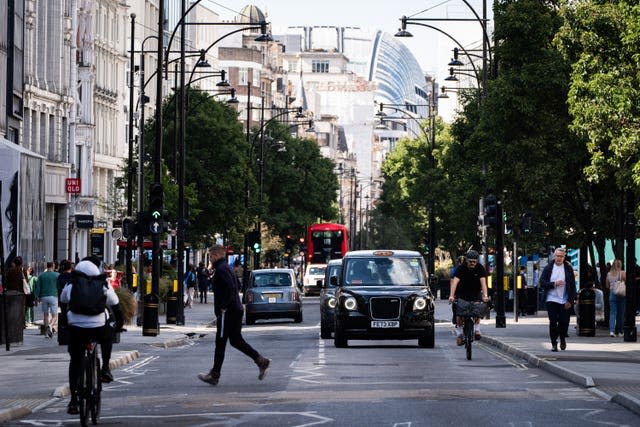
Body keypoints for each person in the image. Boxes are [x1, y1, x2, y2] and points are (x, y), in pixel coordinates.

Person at [198, 245, 271, 386]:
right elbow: (237, 284)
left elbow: (232, 288)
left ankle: (214, 375)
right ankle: (261, 361)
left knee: (220, 343)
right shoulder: (227, 268)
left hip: (228, 311)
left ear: (217, 255)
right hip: (236, 309)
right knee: (236, 340)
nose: (211, 259)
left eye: (211, 256)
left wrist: (224, 306)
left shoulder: (221, 269)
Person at [60, 256, 124, 415]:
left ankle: (74, 400)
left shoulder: (71, 283)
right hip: (97, 327)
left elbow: (63, 302)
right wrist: (119, 326)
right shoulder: (103, 283)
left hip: (76, 327)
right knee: (108, 335)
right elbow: (116, 306)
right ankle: (105, 369)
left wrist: (65, 323)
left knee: (75, 360)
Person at [448, 250, 490, 345]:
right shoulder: (461, 268)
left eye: (474, 261)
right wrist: (451, 295)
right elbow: (454, 282)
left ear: (477, 261)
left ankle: (477, 330)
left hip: (475, 293)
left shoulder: (480, 268)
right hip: (461, 293)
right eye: (470, 261)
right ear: (466, 260)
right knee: (458, 312)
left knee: (478, 309)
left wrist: (485, 296)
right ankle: (459, 334)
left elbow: (483, 283)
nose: (472, 263)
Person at [539, 247, 576, 351]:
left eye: (561, 256)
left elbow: (572, 285)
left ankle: (563, 337)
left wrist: (570, 300)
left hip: (564, 299)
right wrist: (554, 284)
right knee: (553, 322)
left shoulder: (568, 268)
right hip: (551, 299)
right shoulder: (548, 268)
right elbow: (542, 282)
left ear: (564, 257)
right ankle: (554, 344)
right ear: (554, 256)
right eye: (557, 256)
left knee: (564, 321)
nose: (559, 258)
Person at [34, 261, 60, 338]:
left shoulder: (41, 275)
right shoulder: (57, 275)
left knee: (45, 315)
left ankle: (46, 333)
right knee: (54, 316)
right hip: (53, 296)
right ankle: (50, 326)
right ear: (52, 266)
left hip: (44, 297)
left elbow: (38, 288)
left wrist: (36, 297)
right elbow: (59, 286)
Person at [605, 259, 626, 337]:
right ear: (620, 265)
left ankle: (611, 331)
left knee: (612, 313)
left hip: (612, 294)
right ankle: (620, 331)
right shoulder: (623, 273)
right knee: (621, 314)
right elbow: (626, 283)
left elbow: (607, 286)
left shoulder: (608, 274)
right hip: (621, 294)